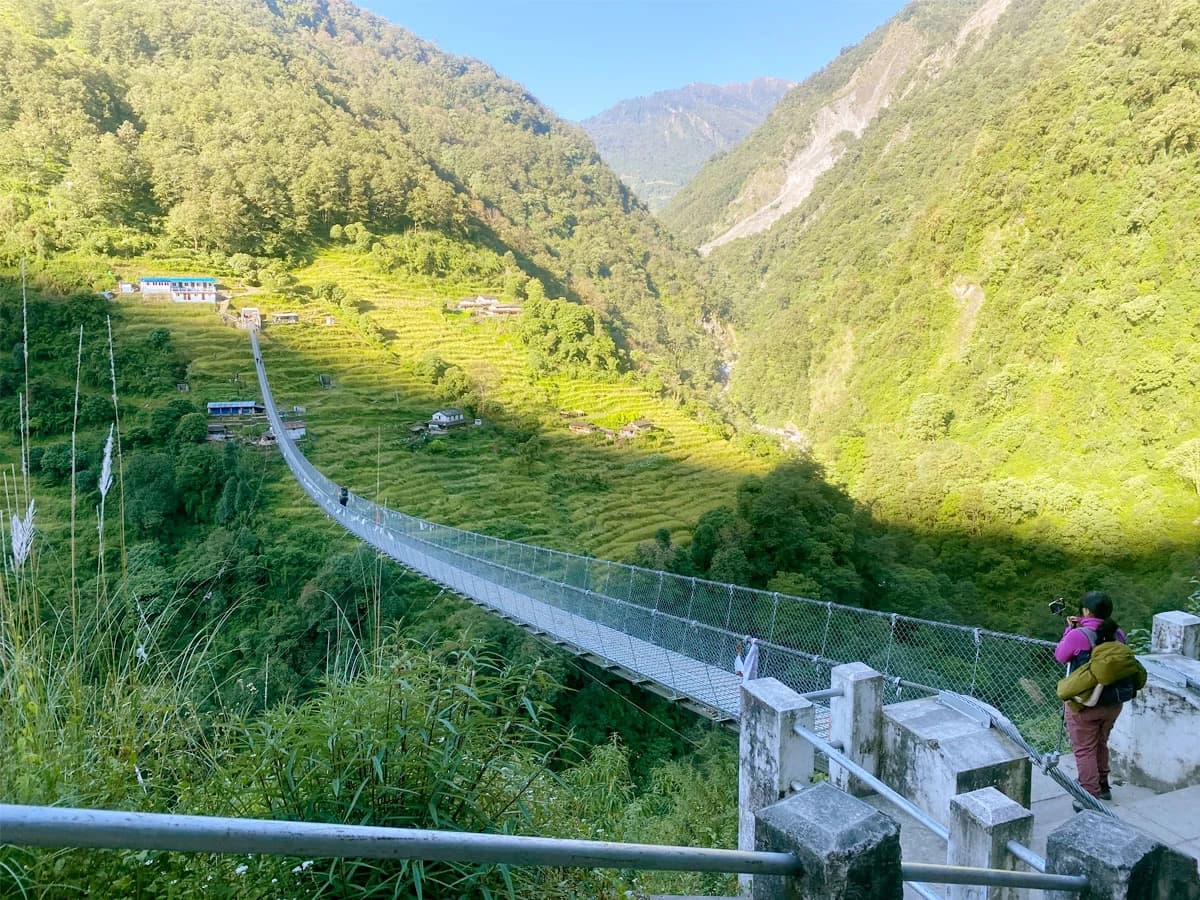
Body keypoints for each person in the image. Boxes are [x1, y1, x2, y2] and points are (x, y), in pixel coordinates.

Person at [1053, 591, 1142, 804]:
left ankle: (1088, 795)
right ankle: (1102, 786)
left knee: (1084, 749)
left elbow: (1060, 656)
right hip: (1114, 702)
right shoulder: (1118, 633)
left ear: (1086, 611)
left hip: (1085, 703)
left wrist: (1070, 630)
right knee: (1101, 743)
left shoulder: (1078, 635)